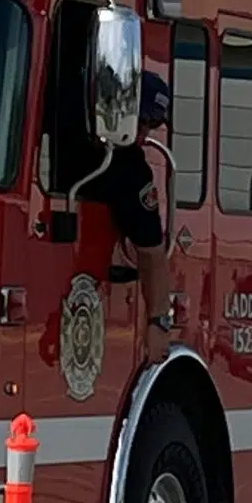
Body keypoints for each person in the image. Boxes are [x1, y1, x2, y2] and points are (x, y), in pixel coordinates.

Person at [91, 70, 177, 359]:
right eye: (140, 121)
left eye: (151, 125)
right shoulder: (127, 167)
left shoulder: (130, 169)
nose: (143, 134)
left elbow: (152, 251)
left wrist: (157, 323)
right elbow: (152, 254)